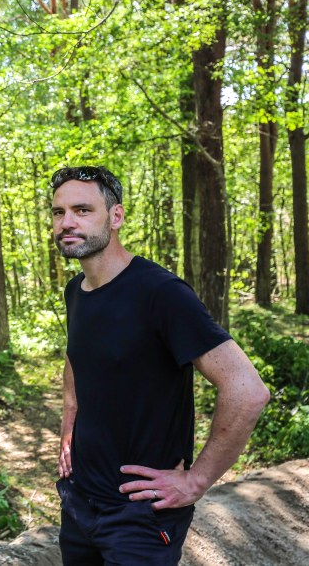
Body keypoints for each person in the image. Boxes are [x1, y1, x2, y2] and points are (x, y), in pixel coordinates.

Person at [50, 165, 270, 565]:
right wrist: (69, 423)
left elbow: (248, 390)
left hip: (141, 515)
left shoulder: (161, 293)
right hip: (80, 503)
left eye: (82, 210)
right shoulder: (76, 291)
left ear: (115, 217)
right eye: (58, 212)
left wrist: (197, 480)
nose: (67, 222)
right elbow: (76, 354)